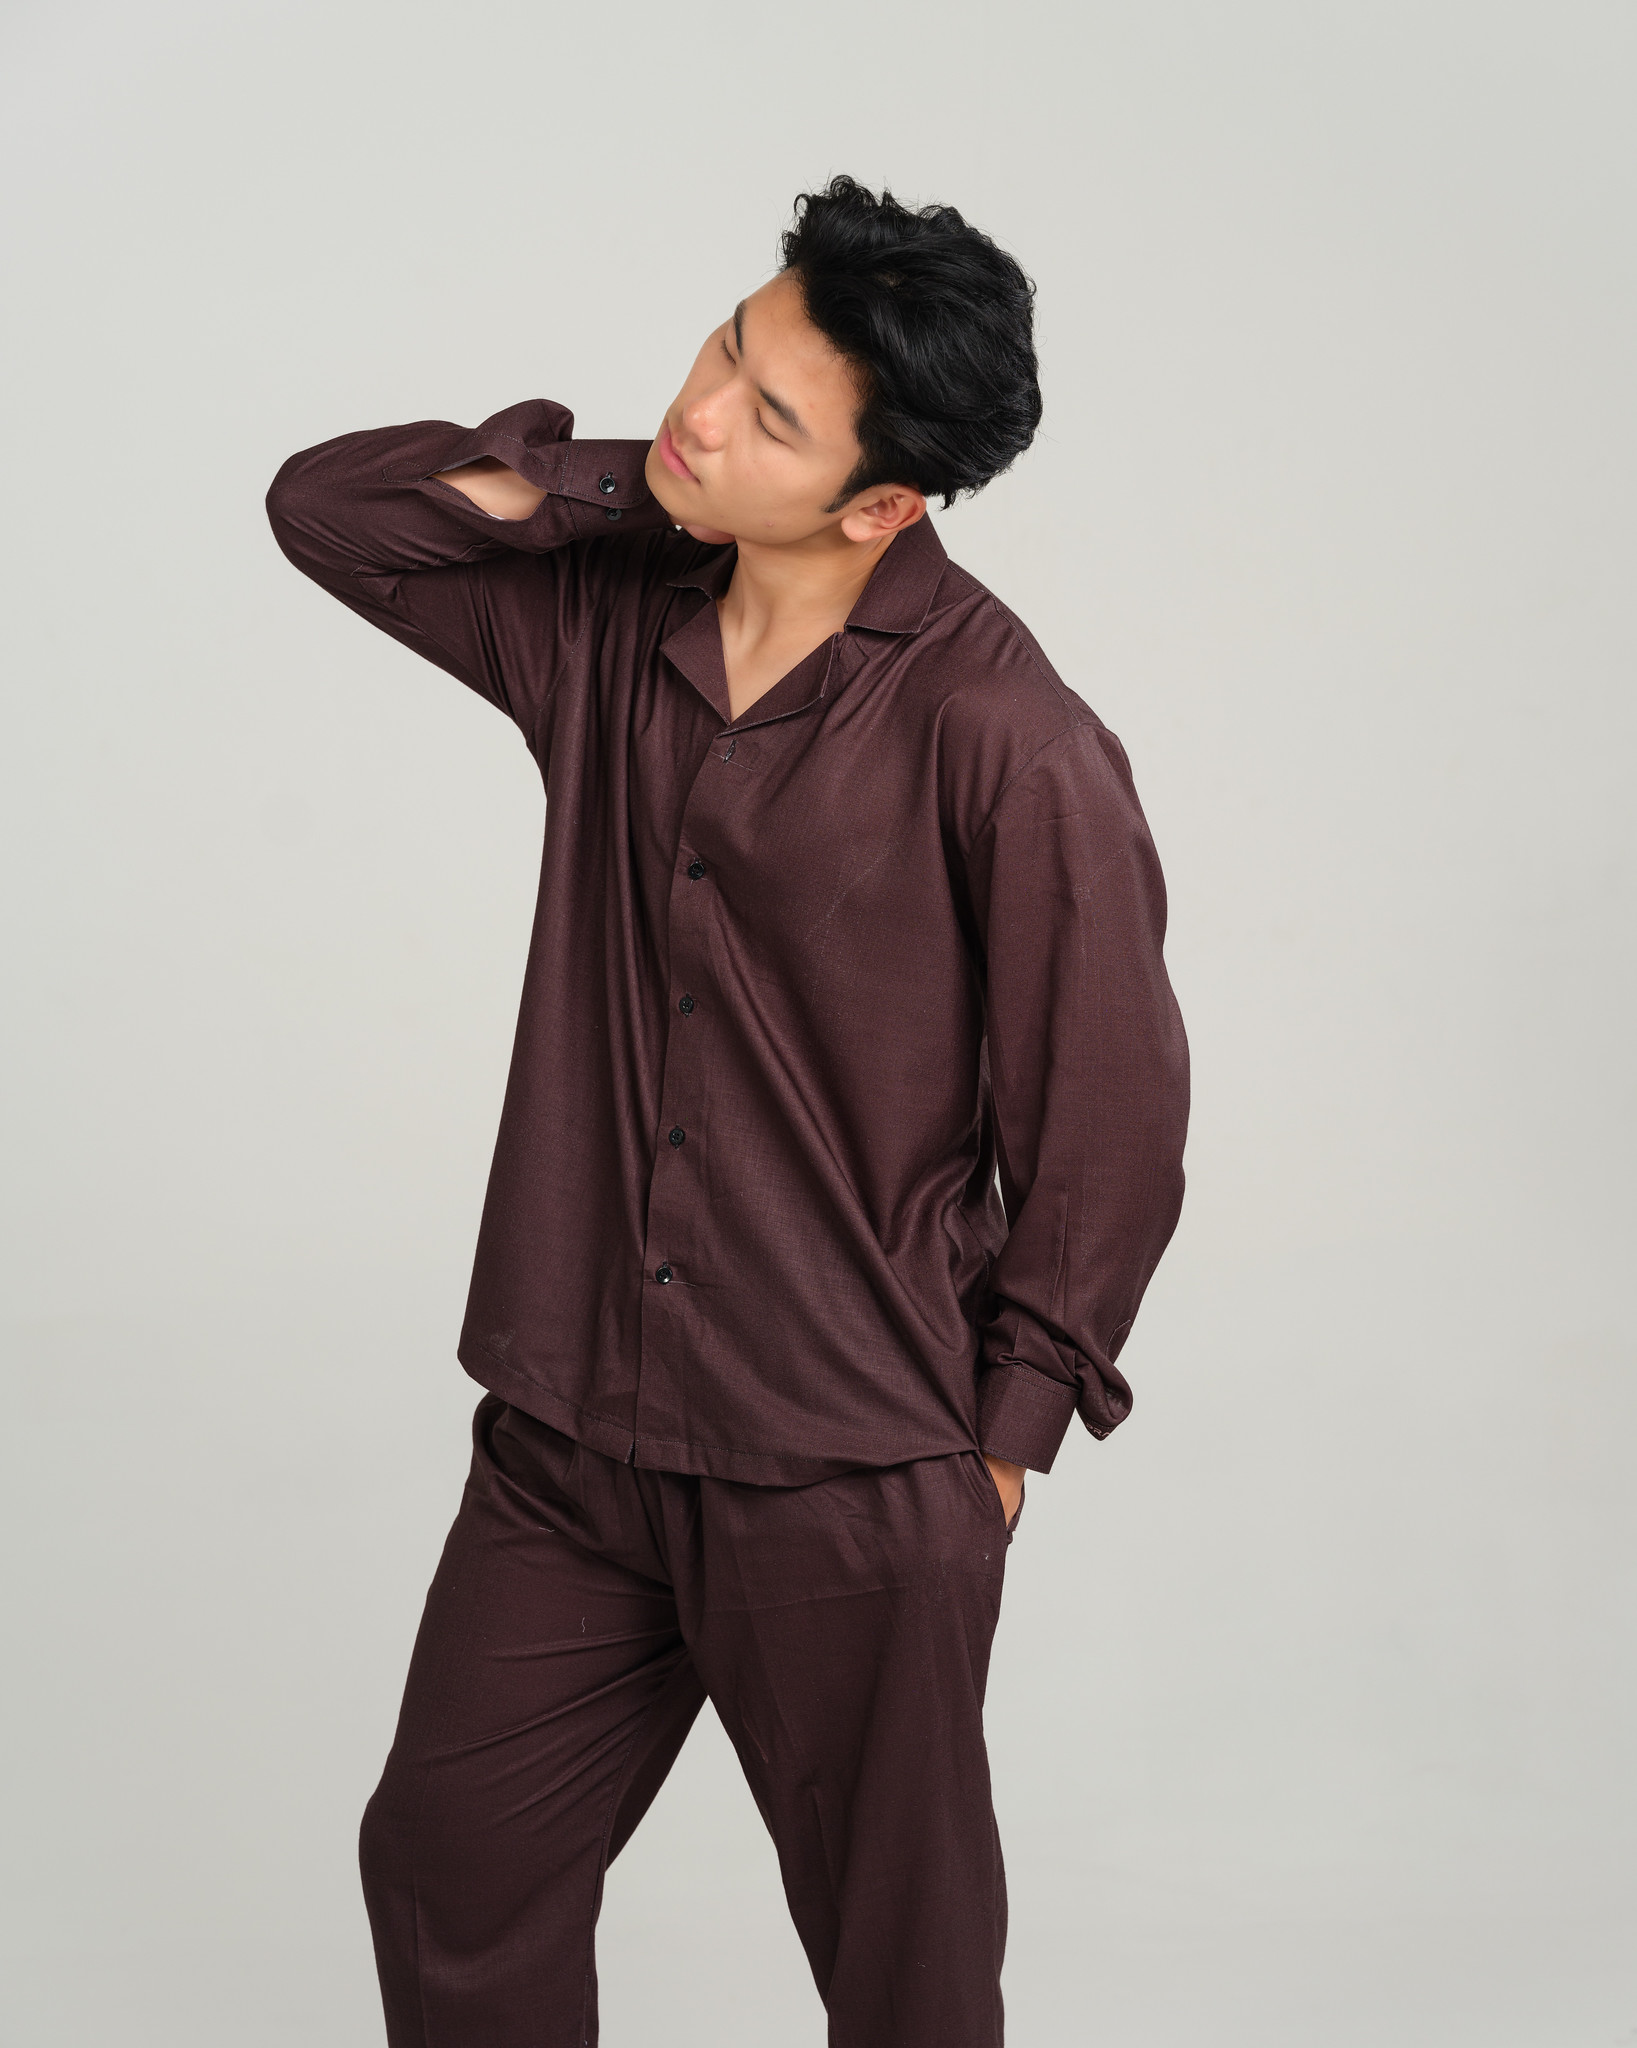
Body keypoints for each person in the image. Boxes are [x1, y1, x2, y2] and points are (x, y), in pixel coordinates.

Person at [266, 173, 1189, 2048]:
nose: (699, 408)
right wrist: (631, 484)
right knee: (450, 1861)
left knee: (898, 1973)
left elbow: (1108, 1125)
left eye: (771, 416)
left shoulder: (1008, 738)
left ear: (882, 504)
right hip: (572, 1429)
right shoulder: (603, 620)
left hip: (846, 1468)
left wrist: (1002, 1445)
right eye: (723, 349)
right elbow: (331, 513)